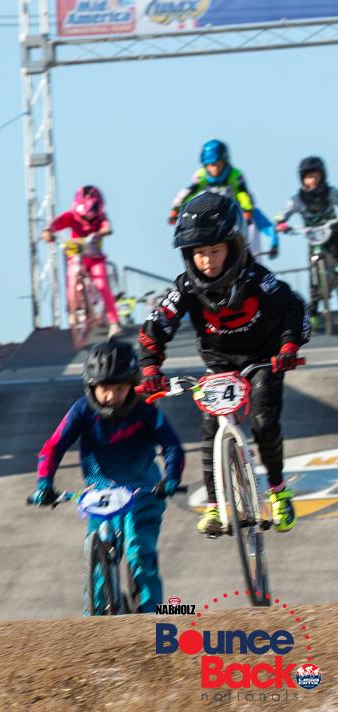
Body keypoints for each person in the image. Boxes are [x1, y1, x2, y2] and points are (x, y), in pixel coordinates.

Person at [138, 191, 309, 535]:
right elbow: (156, 327)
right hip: (219, 366)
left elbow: (294, 308)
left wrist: (289, 346)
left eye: (215, 250)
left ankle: (278, 491)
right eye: (198, 252)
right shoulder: (186, 287)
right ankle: (215, 507)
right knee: (209, 429)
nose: (207, 260)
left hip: (264, 360)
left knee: (263, 421)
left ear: (234, 245)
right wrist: (150, 368)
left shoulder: (258, 279)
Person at [30, 339, 184, 614]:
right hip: (100, 494)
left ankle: (151, 616)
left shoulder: (145, 411)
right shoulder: (82, 410)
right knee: (96, 566)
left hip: (144, 491)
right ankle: (96, 619)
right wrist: (45, 482)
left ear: (132, 386)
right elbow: (53, 446)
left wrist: (171, 477)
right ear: (92, 387)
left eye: (119, 388)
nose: (111, 396)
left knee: (139, 550)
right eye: (104, 389)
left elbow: (172, 446)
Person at [42, 186, 121, 338]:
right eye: (84, 217)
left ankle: (114, 321)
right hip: (76, 256)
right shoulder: (70, 216)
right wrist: (48, 232)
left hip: (95, 258)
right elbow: (54, 224)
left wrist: (100, 232)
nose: (87, 221)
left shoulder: (101, 217)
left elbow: (107, 227)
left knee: (102, 285)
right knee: (72, 281)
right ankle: (73, 311)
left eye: (90, 218)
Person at [274, 156, 338, 329]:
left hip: (333, 235)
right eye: (309, 177)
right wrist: (280, 222)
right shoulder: (298, 199)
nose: (313, 180)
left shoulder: (330, 193)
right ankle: (314, 311)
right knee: (314, 274)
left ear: (322, 176)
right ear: (302, 179)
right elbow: (282, 214)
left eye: (316, 176)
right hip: (313, 239)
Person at [169, 140, 254, 225]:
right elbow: (188, 193)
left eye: (218, 164)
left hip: (235, 213)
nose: (215, 168)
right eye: (212, 165)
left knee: (252, 225)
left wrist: (247, 210)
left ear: (225, 162)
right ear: (206, 165)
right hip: (212, 214)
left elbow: (242, 193)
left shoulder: (234, 174)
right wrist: (175, 209)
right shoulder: (202, 175)